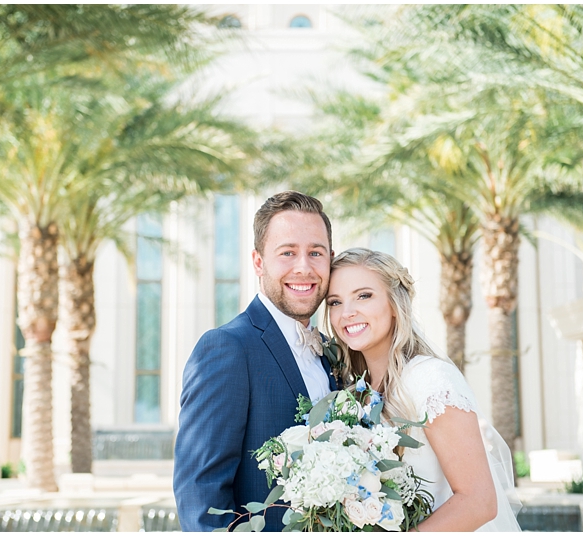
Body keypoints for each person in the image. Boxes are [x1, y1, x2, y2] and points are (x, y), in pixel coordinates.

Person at [173, 191, 339, 531]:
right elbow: (200, 499)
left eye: (315, 253)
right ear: (258, 262)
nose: (304, 267)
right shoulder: (226, 348)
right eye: (288, 252)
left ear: (330, 259)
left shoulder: (331, 352)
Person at [325, 247, 521, 532]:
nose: (347, 313)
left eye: (363, 296)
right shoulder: (355, 391)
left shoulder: (431, 379)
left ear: (394, 304)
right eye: (335, 302)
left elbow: (479, 501)